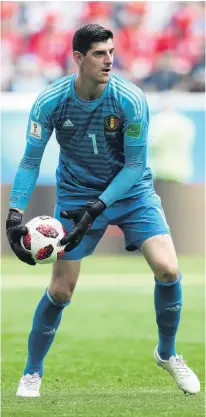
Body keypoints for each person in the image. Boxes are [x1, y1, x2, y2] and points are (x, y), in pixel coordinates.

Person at [6, 24, 200, 398]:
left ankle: (168, 353)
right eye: (99, 53)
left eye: (111, 51)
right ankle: (32, 373)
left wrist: (96, 210)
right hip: (76, 193)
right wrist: (14, 214)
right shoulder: (51, 101)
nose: (109, 60)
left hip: (132, 192)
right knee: (61, 290)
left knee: (168, 268)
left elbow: (133, 167)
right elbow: (31, 162)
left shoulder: (130, 99)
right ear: (78, 58)